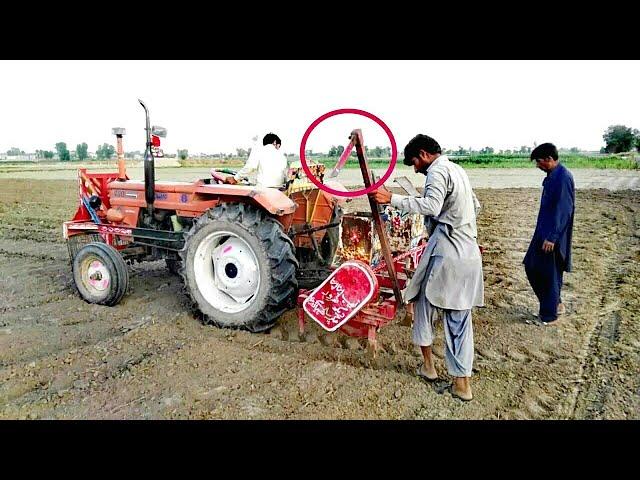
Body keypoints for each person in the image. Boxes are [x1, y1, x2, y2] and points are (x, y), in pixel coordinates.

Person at [370, 134, 483, 401]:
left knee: (422, 304)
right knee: (459, 322)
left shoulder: (437, 171)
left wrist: (391, 199)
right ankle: (462, 383)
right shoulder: (457, 170)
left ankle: (429, 367)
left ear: (422, 155)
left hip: (447, 256)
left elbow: (431, 206)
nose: (415, 170)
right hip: (468, 254)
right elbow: (474, 206)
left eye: (414, 164)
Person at [523, 143, 575, 326]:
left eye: (539, 161)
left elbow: (564, 210)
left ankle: (549, 315)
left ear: (549, 159)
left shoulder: (563, 177)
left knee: (549, 274)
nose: (537, 165)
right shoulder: (553, 176)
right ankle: (555, 304)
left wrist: (552, 237)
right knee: (531, 265)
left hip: (552, 236)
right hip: (543, 232)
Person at [224, 133, 289, 189]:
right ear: (274, 142)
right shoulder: (283, 157)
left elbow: (250, 167)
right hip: (278, 191)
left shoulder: (258, 151)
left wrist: (235, 178)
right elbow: (286, 176)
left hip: (262, 190)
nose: (278, 148)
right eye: (278, 146)